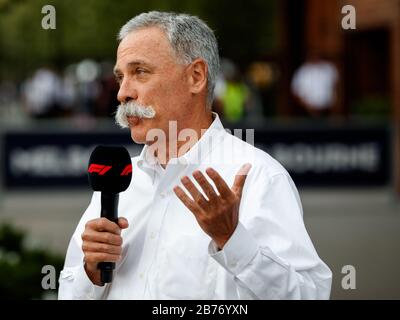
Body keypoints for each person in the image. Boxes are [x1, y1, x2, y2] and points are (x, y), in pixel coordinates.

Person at [58, 11, 332, 300]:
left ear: (196, 76)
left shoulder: (257, 176)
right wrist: (90, 272)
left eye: (140, 72)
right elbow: (67, 293)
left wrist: (233, 240)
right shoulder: (120, 181)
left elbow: (308, 296)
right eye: (120, 76)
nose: (122, 93)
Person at [291, 51, 339, 118]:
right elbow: (296, 92)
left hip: (327, 111)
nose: (315, 57)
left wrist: (335, 108)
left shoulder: (329, 68)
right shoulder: (302, 71)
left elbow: (335, 88)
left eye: (317, 55)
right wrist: (308, 106)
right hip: (306, 112)